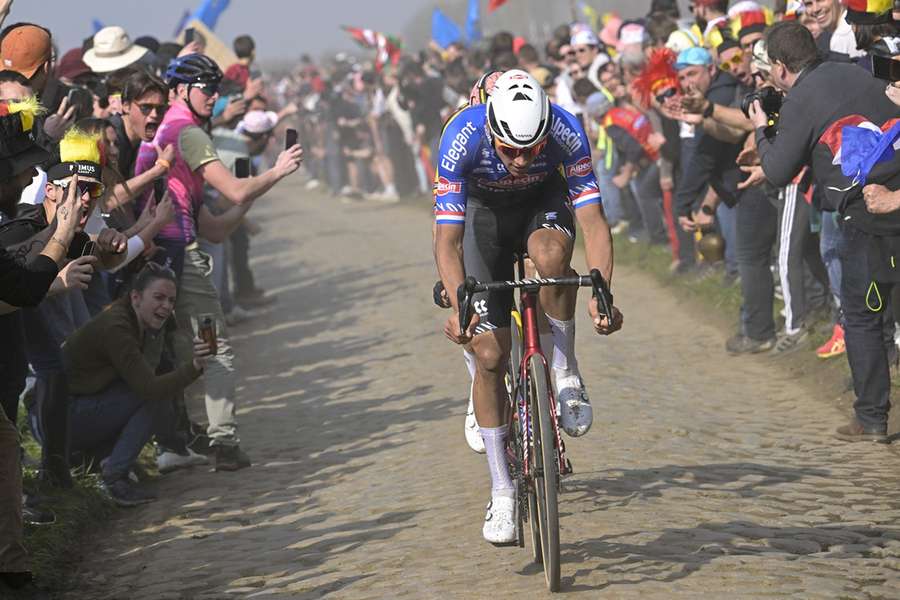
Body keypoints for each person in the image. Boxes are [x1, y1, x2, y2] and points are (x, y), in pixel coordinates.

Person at [433, 70, 623, 545]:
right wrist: (461, 305)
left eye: (531, 149)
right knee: (491, 355)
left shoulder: (565, 128)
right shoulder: (461, 135)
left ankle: (564, 370)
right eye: (509, 149)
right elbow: (447, 242)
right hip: (482, 217)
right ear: (490, 127)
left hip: (542, 205)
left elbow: (595, 223)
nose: (520, 159)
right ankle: (502, 492)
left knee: (555, 260)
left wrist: (604, 293)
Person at [133, 53, 303, 471]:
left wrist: (250, 196)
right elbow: (236, 191)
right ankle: (224, 442)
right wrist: (277, 171)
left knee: (171, 353)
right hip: (179, 263)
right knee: (215, 350)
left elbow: (214, 227)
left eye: (217, 89)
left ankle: (169, 442)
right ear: (180, 92)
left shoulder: (167, 133)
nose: (214, 96)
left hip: (156, 257)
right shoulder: (188, 134)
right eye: (206, 89)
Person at [749, 21, 900, 441]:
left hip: (864, 215)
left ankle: (871, 419)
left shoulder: (801, 97)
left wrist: (762, 129)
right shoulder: (851, 71)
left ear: (780, 68)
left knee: (862, 318)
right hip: (897, 192)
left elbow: (778, 171)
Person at [63, 263, 211, 506]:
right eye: (159, 298)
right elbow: (149, 388)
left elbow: (149, 373)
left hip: (83, 407)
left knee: (153, 389)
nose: (166, 306)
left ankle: (110, 459)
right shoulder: (117, 326)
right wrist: (195, 367)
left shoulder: (139, 320)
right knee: (153, 395)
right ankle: (113, 477)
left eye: (171, 301)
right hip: (65, 418)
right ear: (135, 297)